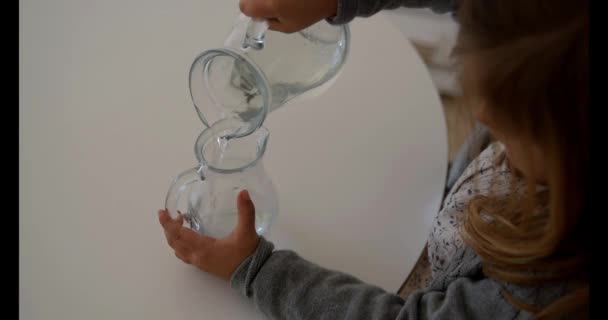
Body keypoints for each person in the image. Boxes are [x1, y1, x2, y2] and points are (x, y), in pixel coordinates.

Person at [158, 0, 589, 318]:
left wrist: (255, 269)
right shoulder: (555, 34)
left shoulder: (537, 300)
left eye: (512, 123)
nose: (480, 114)